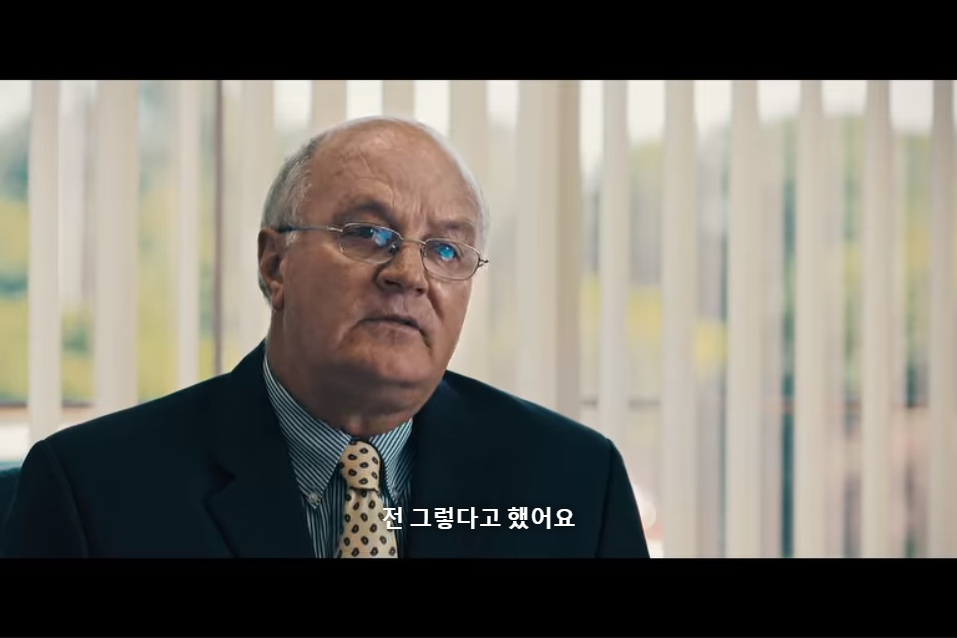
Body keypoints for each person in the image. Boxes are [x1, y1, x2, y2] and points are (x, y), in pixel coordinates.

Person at [1, 116, 649, 558]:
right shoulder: (92, 490)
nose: (409, 274)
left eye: (446, 249)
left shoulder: (573, 483)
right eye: (367, 234)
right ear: (274, 264)